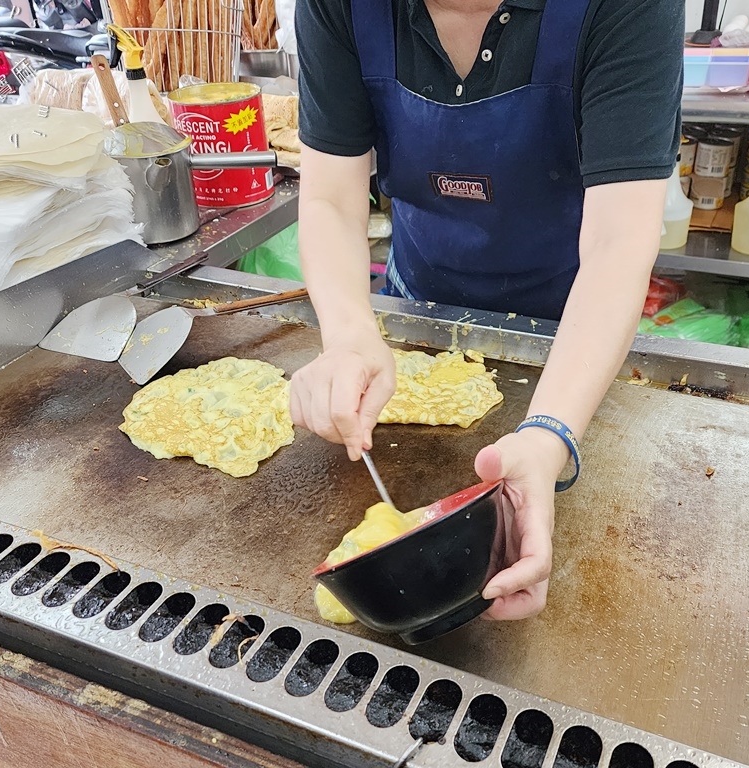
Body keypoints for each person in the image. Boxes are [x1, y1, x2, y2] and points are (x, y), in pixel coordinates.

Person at [290, 0, 683, 620]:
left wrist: (550, 433)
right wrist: (349, 336)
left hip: (571, 331)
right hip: (417, 303)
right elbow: (331, 201)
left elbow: (618, 243)